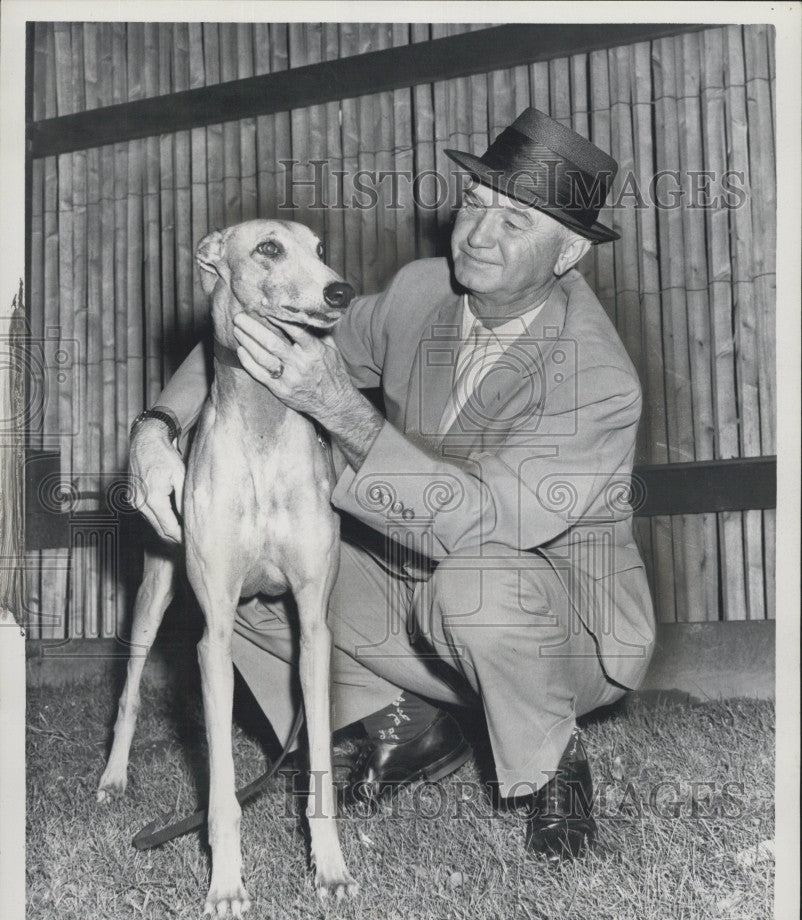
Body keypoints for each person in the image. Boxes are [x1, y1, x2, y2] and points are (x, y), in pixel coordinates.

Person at [130, 108, 655, 861]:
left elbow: (480, 522)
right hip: (420, 580)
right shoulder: (420, 294)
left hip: (555, 618)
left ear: (569, 252)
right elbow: (251, 323)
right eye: (476, 202)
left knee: (475, 586)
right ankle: (394, 722)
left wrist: (341, 410)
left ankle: (553, 769)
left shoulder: (596, 379)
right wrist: (157, 429)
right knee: (238, 576)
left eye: (514, 222)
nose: (477, 234)